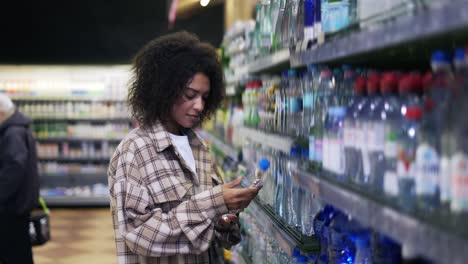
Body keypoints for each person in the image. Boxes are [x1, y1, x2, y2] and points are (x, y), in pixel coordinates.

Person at [108, 31, 260, 264]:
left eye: (205, 97)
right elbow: (139, 236)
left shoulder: (199, 147)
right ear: (164, 90)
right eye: (190, 95)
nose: (199, 106)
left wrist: (224, 220)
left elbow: (211, 231)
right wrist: (215, 202)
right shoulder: (135, 151)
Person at [0, 94, 39, 264]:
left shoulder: (12, 132)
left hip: (13, 206)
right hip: (19, 203)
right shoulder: (18, 127)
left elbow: (14, 168)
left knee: (15, 251)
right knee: (20, 249)